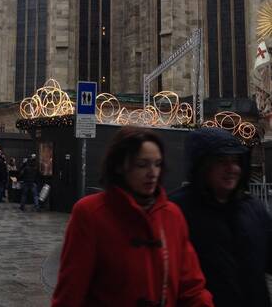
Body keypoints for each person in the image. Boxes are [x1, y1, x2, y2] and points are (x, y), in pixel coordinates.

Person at [52, 127, 214, 307]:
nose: (152, 173)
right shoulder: (90, 214)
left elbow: (191, 288)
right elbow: (70, 293)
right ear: (120, 166)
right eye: (142, 165)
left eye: (157, 164)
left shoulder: (172, 215)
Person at [170, 127, 272, 307]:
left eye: (235, 161)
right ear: (203, 166)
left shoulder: (253, 207)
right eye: (221, 161)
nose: (231, 168)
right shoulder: (177, 210)